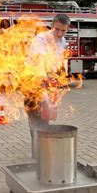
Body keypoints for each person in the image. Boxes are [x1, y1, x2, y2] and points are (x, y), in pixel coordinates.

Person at [24, 14, 70, 156]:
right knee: (35, 117)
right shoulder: (41, 39)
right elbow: (40, 63)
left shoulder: (62, 41)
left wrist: (61, 78)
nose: (60, 33)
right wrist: (44, 93)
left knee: (46, 116)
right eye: (57, 29)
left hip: (49, 82)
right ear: (52, 26)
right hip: (32, 81)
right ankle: (37, 153)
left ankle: (43, 148)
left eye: (63, 30)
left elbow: (59, 62)